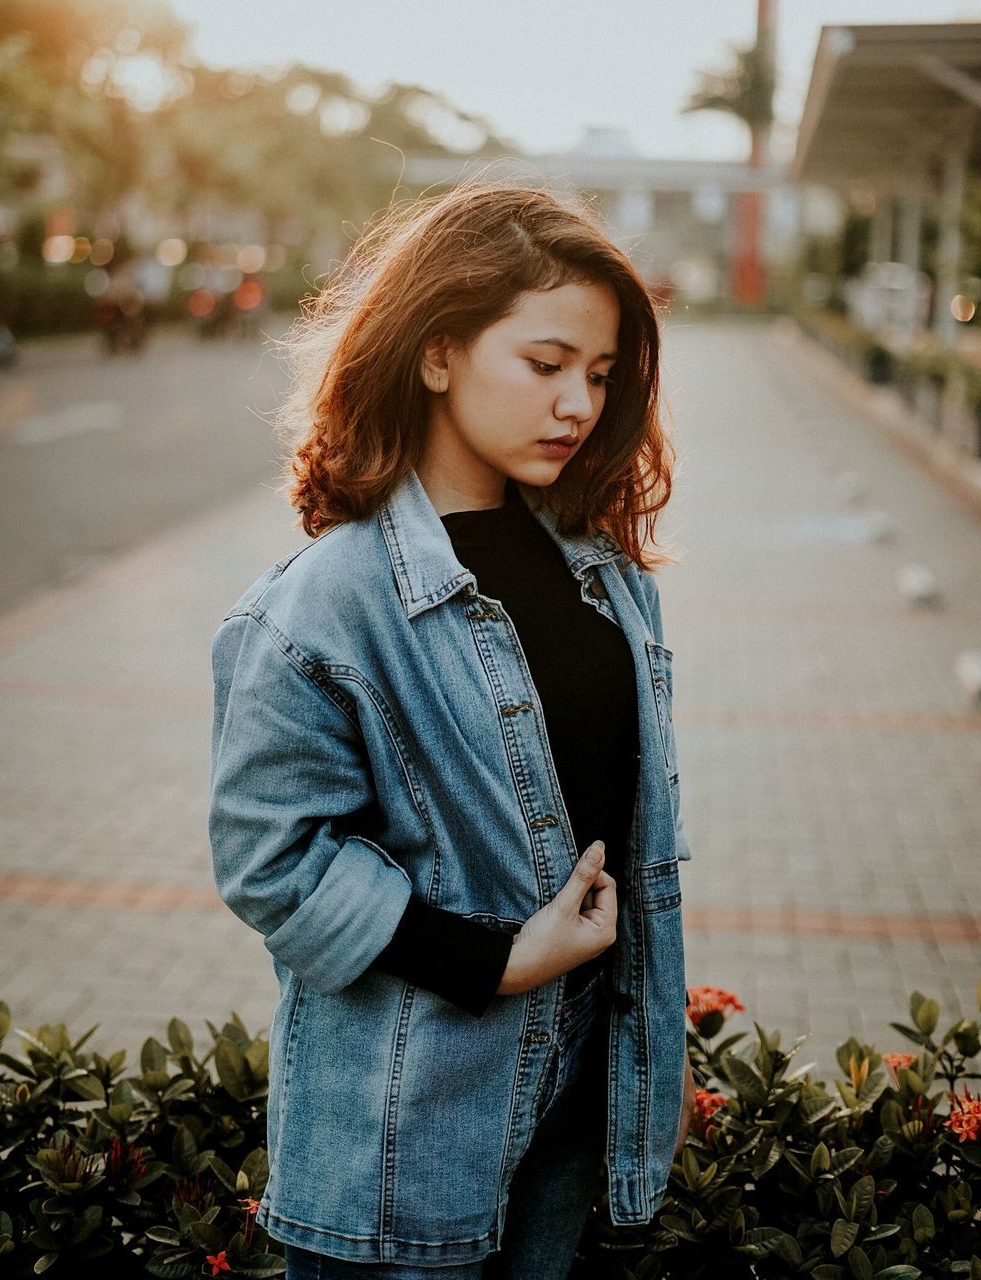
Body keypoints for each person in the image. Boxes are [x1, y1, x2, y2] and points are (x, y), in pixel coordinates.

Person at [208, 181, 696, 1280]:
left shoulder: (605, 577)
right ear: (437, 353)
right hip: (401, 1129)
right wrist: (500, 958)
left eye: (601, 375)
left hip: (577, 1117)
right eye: (546, 362)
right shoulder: (322, 603)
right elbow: (269, 859)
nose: (577, 401)